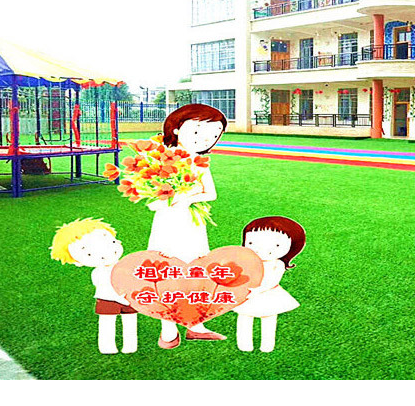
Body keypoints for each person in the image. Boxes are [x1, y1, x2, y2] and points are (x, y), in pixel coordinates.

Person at [149, 103, 227, 348]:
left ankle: (195, 325)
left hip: (192, 223)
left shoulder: (199, 162)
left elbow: (211, 193)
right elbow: (153, 199)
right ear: (176, 128)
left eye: (214, 135)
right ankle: (168, 330)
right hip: (168, 223)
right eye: (197, 131)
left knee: (196, 272)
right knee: (167, 273)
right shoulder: (160, 159)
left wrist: (186, 197)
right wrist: (173, 198)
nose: (205, 139)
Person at [50, 218, 137, 354]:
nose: (106, 253)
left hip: (127, 299)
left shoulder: (124, 266)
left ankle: (130, 345)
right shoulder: (99, 273)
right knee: (107, 322)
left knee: (130, 321)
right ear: (77, 262)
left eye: (112, 242)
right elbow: (106, 287)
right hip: (108, 300)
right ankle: (107, 346)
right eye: (89, 253)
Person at [234, 216, 306, 352]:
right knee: (245, 317)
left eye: (277, 245)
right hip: (249, 292)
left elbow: (273, 280)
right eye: (251, 243)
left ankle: (267, 346)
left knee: (268, 318)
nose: (261, 249)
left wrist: (258, 290)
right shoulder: (249, 260)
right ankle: (244, 345)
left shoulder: (277, 264)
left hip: (268, 294)